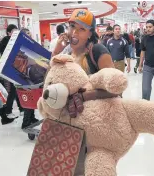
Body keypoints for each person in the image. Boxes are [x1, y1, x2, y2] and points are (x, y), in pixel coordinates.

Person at [51, 9, 116, 175]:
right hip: (70, 123)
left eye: (81, 29)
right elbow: (52, 70)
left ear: (90, 34)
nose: (74, 32)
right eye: (72, 26)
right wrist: (58, 47)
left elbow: (115, 87)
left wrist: (83, 95)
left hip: (95, 123)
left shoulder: (98, 51)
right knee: (73, 166)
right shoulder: (67, 51)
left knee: (94, 166)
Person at [0, 24, 23, 118]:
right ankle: (8, 111)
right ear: (9, 33)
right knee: (13, 91)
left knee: (17, 89)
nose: (16, 33)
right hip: (10, 69)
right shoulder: (6, 42)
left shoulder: (16, 40)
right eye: (14, 31)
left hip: (17, 67)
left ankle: (21, 109)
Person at [19, 28, 39, 129]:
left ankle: (32, 117)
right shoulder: (20, 49)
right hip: (25, 78)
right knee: (28, 99)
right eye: (26, 34)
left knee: (32, 98)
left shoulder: (30, 46)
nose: (29, 36)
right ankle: (26, 122)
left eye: (29, 34)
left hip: (32, 76)